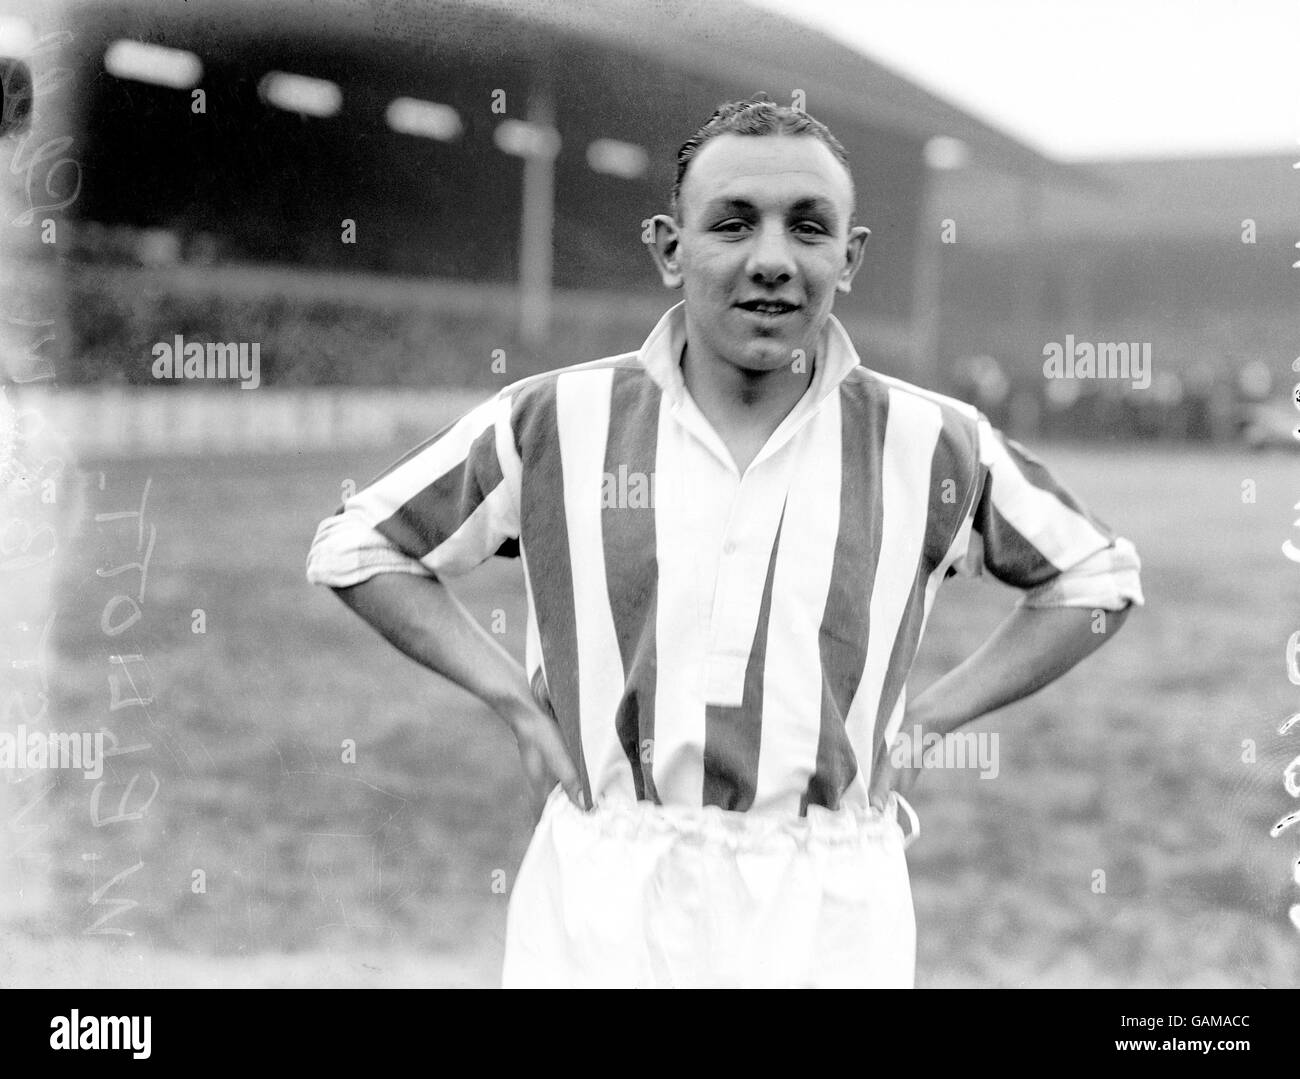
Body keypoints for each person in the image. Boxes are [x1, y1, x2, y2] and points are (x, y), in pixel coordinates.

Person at [306, 97, 1144, 988]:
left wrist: (931, 718)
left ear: (850, 257)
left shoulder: (929, 438)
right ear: (671, 246)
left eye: (810, 229)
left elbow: (1095, 574)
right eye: (734, 223)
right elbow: (360, 543)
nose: (773, 260)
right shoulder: (555, 420)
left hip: (830, 903)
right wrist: (511, 698)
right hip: (606, 893)